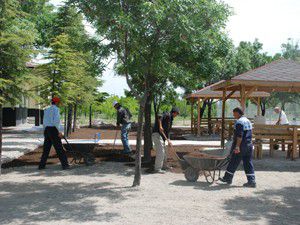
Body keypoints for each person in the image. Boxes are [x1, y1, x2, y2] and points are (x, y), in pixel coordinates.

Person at [220, 107, 256, 188]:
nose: (233, 115)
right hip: (249, 145)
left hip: (241, 146)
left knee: (234, 161)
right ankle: (252, 181)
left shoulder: (239, 122)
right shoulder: (247, 121)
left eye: (234, 113)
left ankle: (227, 178)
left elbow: (239, 136)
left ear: (238, 113)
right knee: (248, 163)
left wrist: (237, 147)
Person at [39, 97, 69, 170]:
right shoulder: (56, 109)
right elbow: (56, 122)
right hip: (53, 130)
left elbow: (44, 121)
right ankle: (65, 165)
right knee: (59, 148)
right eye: (59, 102)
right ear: (57, 102)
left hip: (47, 130)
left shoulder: (46, 109)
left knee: (46, 149)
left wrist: (44, 131)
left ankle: (41, 166)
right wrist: (59, 131)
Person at [150, 107, 180, 173]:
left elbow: (168, 131)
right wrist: (160, 126)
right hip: (157, 134)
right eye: (176, 114)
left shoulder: (171, 119)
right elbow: (159, 117)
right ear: (174, 112)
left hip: (162, 137)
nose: (176, 115)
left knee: (165, 151)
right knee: (161, 151)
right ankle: (157, 168)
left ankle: (164, 166)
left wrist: (168, 140)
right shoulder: (167, 114)